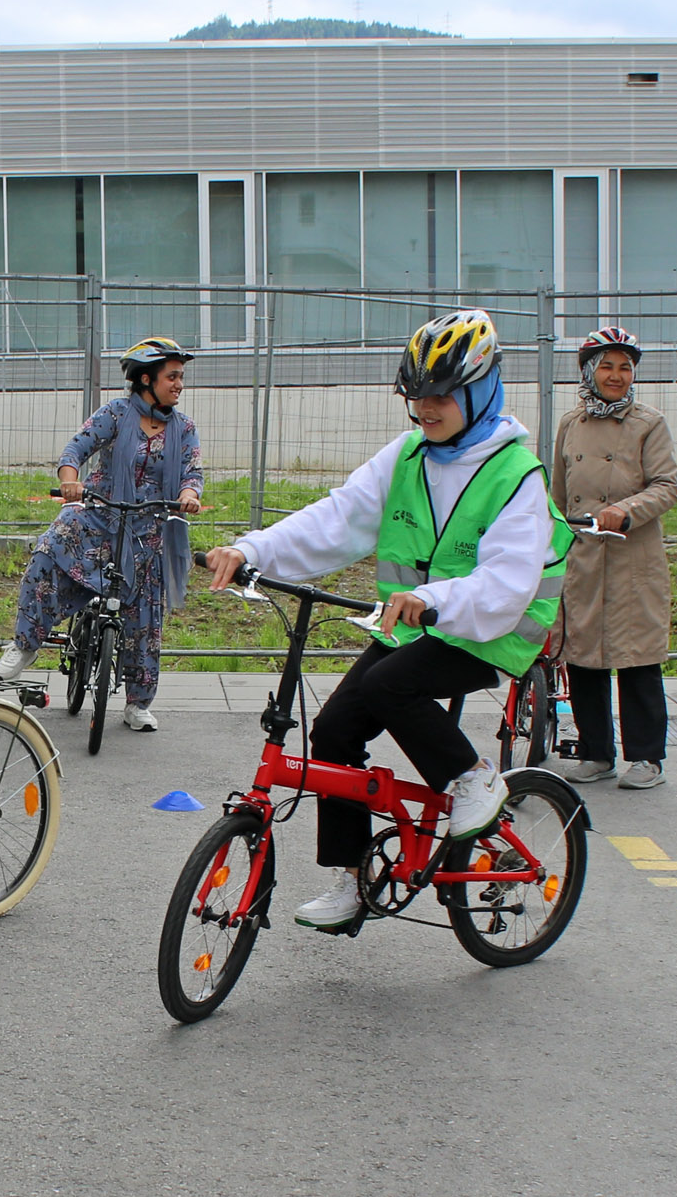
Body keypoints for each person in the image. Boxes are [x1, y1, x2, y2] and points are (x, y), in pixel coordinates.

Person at [202, 308, 571, 933]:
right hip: (417, 627)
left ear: (481, 391)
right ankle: (354, 879)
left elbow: (508, 584)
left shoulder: (517, 476)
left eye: (440, 397)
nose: (424, 409)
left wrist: (437, 600)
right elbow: (336, 519)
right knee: (334, 731)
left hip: (491, 629)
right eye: (416, 397)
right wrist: (252, 550)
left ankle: (474, 778)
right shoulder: (406, 457)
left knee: (386, 685)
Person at [0, 335, 205, 732]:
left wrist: (189, 493)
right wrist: (70, 481)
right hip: (100, 517)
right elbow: (75, 451)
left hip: (149, 529)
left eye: (180, 377)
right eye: (171, 376)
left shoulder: (184, 428)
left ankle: (137, 703)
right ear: (145, 380)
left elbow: (192, 472)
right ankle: (24, 644)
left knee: (145, 620)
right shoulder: (116, 414)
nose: (178, 384)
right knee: (48, 551)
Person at [552, 325, 677, 783]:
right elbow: (560, 495)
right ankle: (596, 752)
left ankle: (647, 758)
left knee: (637, 657)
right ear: (589, 370)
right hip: (584, 557)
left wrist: (623, 512)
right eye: (606, 365)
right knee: (584, 655)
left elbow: (667, 487)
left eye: (625, 367)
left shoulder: (649, 423)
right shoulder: (571, 424)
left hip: (634, 560)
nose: (616, 375)